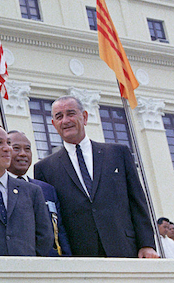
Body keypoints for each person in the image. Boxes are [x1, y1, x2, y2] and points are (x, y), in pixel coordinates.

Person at [34, 95, 158, 258]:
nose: (65, 120)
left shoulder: (118, 153)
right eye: (59, 116)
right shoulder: (44, 168)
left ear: (84, 117)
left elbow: (137, 201)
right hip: (80, 256)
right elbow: (50, 220)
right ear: (54, 124)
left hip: (125, 248)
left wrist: (146, 244)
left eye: (71, 113)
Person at [0, 122, 53, 256]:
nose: (7, 149)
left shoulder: (32, 191)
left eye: (8, 143)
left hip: (26, 271)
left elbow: (44, 237)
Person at [6, 130, 72, 256]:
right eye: (16, 148)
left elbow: (60, 231)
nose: (23, 154)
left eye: (27, 149)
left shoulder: (46, 189)